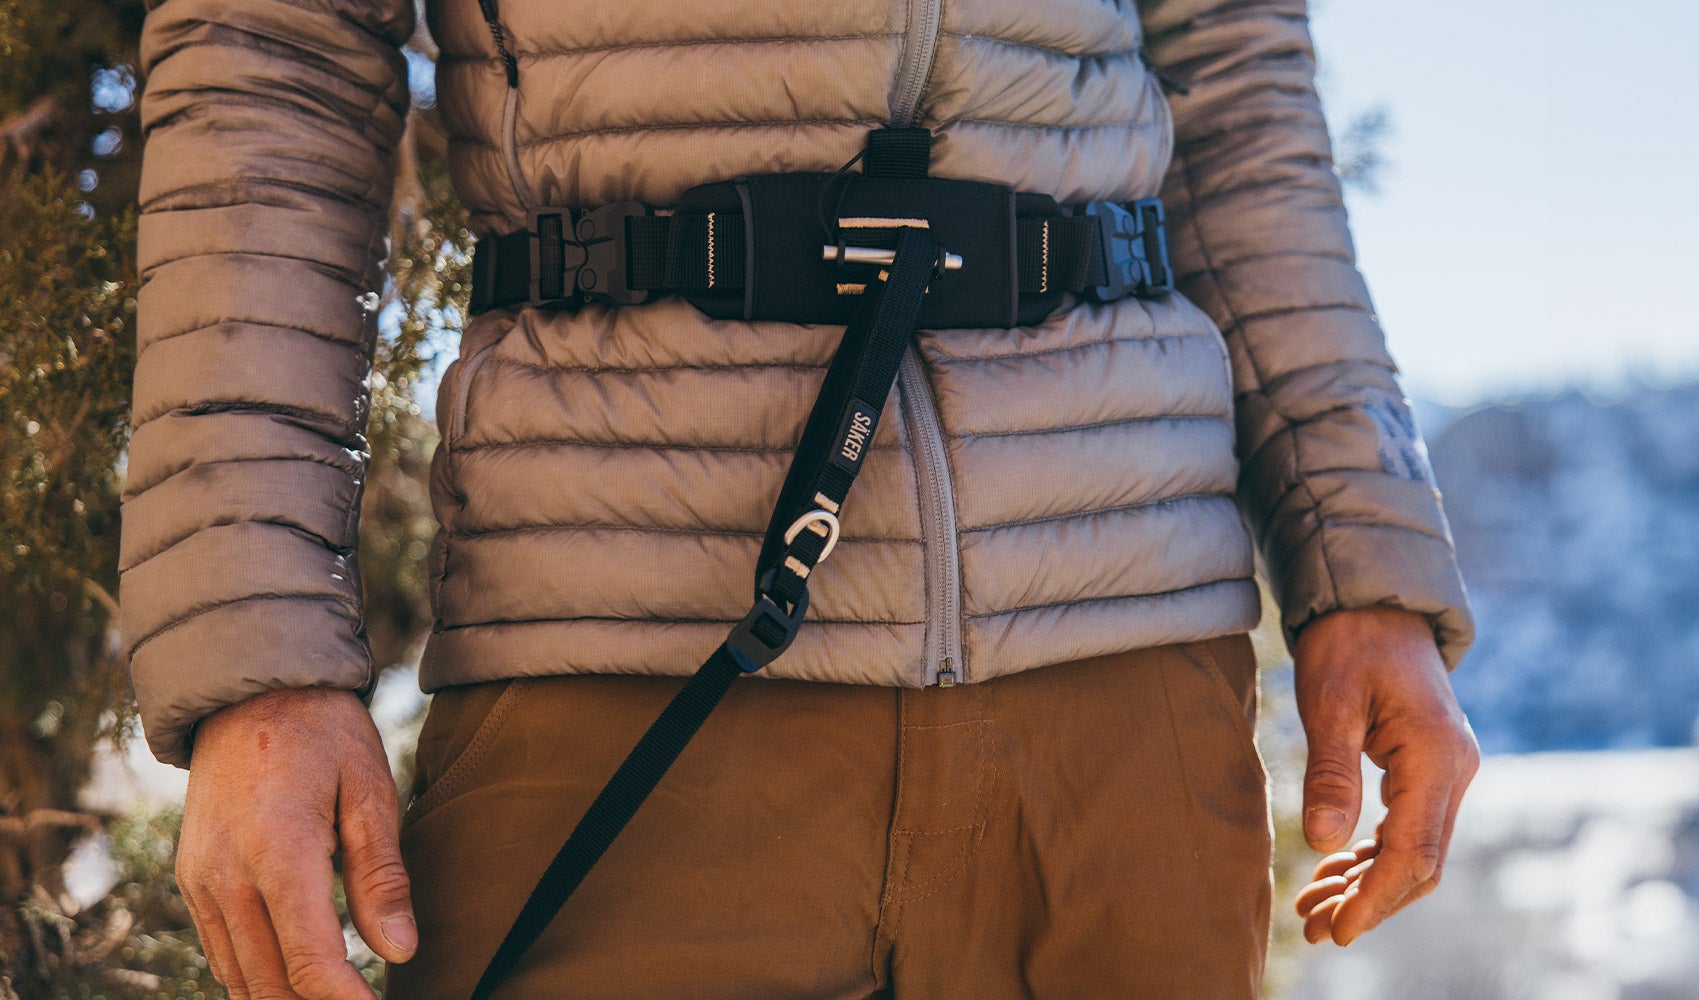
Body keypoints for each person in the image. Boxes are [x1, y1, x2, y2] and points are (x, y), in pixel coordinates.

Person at [121, 0, 1478, 995]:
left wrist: (1360, 562)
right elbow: (269, 58)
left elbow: (1234, 88)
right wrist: (260, 665)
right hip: (624, 673)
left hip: (1128, 705)